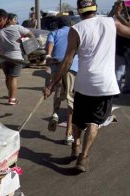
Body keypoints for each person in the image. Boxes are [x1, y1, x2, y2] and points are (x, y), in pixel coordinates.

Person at [43, 0, 130, 172]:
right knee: (94, 122)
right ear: (95, 8)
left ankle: (75, 145)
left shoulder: (76, 29)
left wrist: (52, 84)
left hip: (84, 82)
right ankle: (83, 157)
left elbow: (68, 60)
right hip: (105, 84)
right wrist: (120, 14)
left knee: (78, 119)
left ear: (79, 10)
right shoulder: (112, 23)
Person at [45, 16, 79, 145]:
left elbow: (50, 45)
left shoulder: (54, 33)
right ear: (70, 24)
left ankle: (55, 113)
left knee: (57, 91)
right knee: (70, 99)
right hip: (72, 67)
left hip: (56, 65)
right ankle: (68, 135)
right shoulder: (75, 32)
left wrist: (48, 55)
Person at [0, 13, 34, 105]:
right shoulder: (17, 27)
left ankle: (10, 94)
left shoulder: (0, 31)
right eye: (14, 19)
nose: (16, 21)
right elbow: (31, 34)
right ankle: (12, 99)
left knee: (7, 77)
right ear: (9, 20)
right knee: (13, 78)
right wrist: (22, 39)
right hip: (16, 57)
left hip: (3, 58)